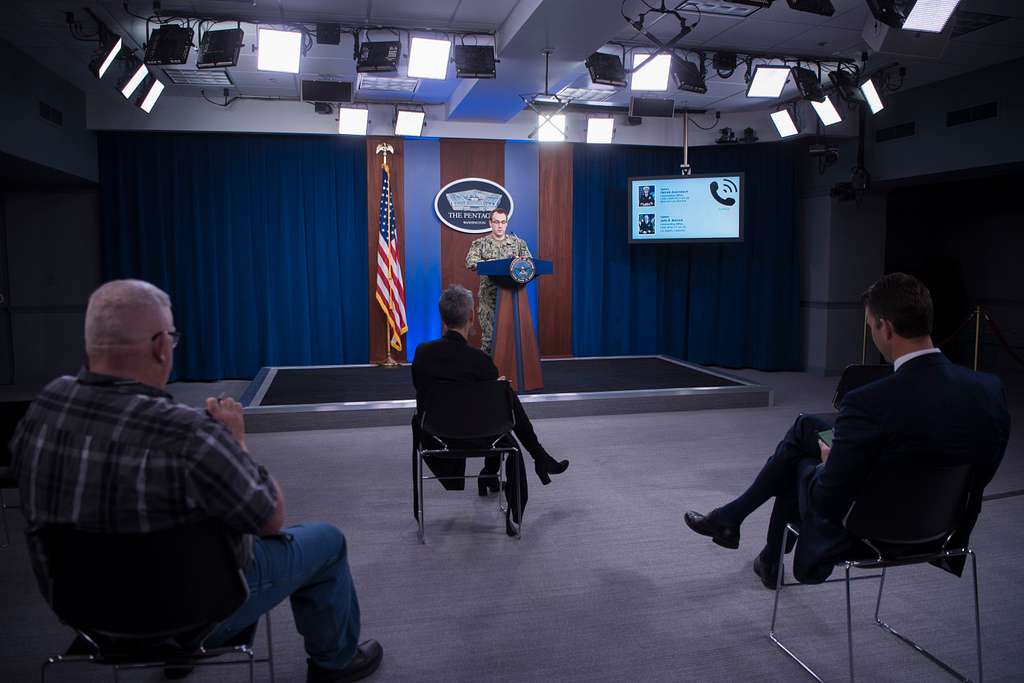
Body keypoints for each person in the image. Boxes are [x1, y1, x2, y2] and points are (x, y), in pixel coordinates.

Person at [9, 279, 382, 683]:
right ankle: (335, 663)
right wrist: (235, 440)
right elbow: (268, 517)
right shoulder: (186, 433)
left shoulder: (44, 408)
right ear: (160, 347)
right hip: (191, 612)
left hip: (82, 611)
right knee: (326, 541)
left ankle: (177, 649)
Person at [683, 273, 1010, 587]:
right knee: (807, 427)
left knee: (799, 462)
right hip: (945, 529)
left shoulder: (870, 402)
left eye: (870, 325)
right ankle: (752, 541)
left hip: (870, 531)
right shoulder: (988, 390)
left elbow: (827, 498)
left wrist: (829, 462)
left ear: (885, 327)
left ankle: (744, 531)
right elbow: (981, 471)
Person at [411, 284, 568, 535]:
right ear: (472, 317)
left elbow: (423, 393)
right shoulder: (480, 361)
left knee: (500, 395)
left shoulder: (421, 354)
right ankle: (538, 459)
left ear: (442, 318)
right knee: (504, 397)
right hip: (478, 437)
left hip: (435, 436)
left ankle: (493, 473)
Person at [465, 208, 532, 355]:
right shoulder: (480, 243)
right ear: (490, 223)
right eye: (496, 222)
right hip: (489, 299)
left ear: (507, 224)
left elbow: (530, 265)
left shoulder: (518, 244)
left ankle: (511, 373)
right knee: (489, 340)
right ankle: (487, 375)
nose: (500, 225)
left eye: (503, 222)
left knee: (513, 339)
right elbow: (470, 262)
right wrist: (492, 263)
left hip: (512, 298)